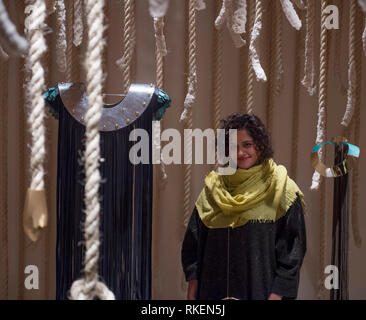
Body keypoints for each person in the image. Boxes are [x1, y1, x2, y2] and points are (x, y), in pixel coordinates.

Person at [181, 113, 307, 300]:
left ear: (260, 145)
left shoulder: (282, 191)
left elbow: (292, 254)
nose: (240, 153)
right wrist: (192, 291)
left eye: (247, 145)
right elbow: (192, 248)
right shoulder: (212, 191)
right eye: (233, 147)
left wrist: (277, 295)